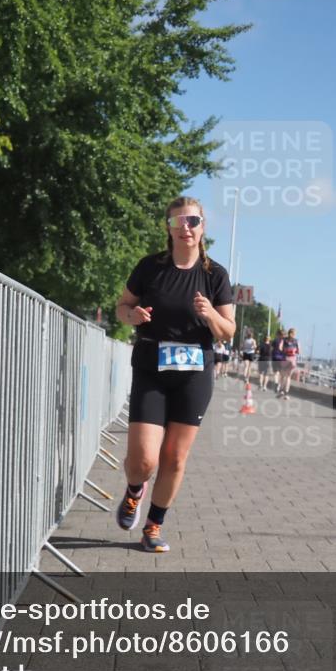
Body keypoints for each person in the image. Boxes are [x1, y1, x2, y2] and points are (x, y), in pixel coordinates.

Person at [114, 196, 234, 553]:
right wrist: (131, 317)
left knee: (175, 458)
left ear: (203, 227)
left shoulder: (216, 276)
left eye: (193, 221)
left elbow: (227, 330)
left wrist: (210, 314)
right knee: (143, 460)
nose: (186, 227)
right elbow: (122, 307)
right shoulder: (151, 267)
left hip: (194, 372)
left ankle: (153, 526)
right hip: (151, 365)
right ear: (168, 227)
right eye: (178, 221)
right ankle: (135, 488)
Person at [278, 327, 300, 399]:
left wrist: (285, 350)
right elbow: (299, 351)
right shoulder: (296, 341)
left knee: (283, 376)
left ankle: (281, 390)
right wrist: (294, 351)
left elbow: (280, 348)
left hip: (285, 359)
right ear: (294, 334)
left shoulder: (284, 340)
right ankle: (286, 393)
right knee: (288, 377)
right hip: (292, 360)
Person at [271, 328, 285, 392]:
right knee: (280, 373)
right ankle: (279, 385)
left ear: (278, 334)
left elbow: (271, 348)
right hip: (282, 358)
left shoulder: (275, 340)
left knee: (275, 372)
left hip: (275, 357)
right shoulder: (285, 341)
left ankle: (276, 383)